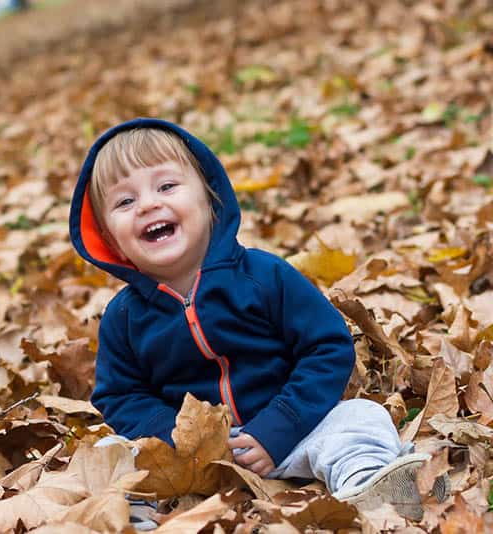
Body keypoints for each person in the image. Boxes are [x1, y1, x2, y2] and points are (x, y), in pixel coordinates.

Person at [68, 118, 448, 527]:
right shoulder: (123, 318)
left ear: (209, 198)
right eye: (124, 202)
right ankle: (134, 518)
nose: (146, 205)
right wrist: (175, 440)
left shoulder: (264, 276)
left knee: (359, 417)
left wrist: (278, 427)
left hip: (292, 433)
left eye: (166, 187)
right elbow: (121, 396)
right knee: (110, 452)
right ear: (108, 237)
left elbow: (328, 347)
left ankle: (370, 486)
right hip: (191, 463)